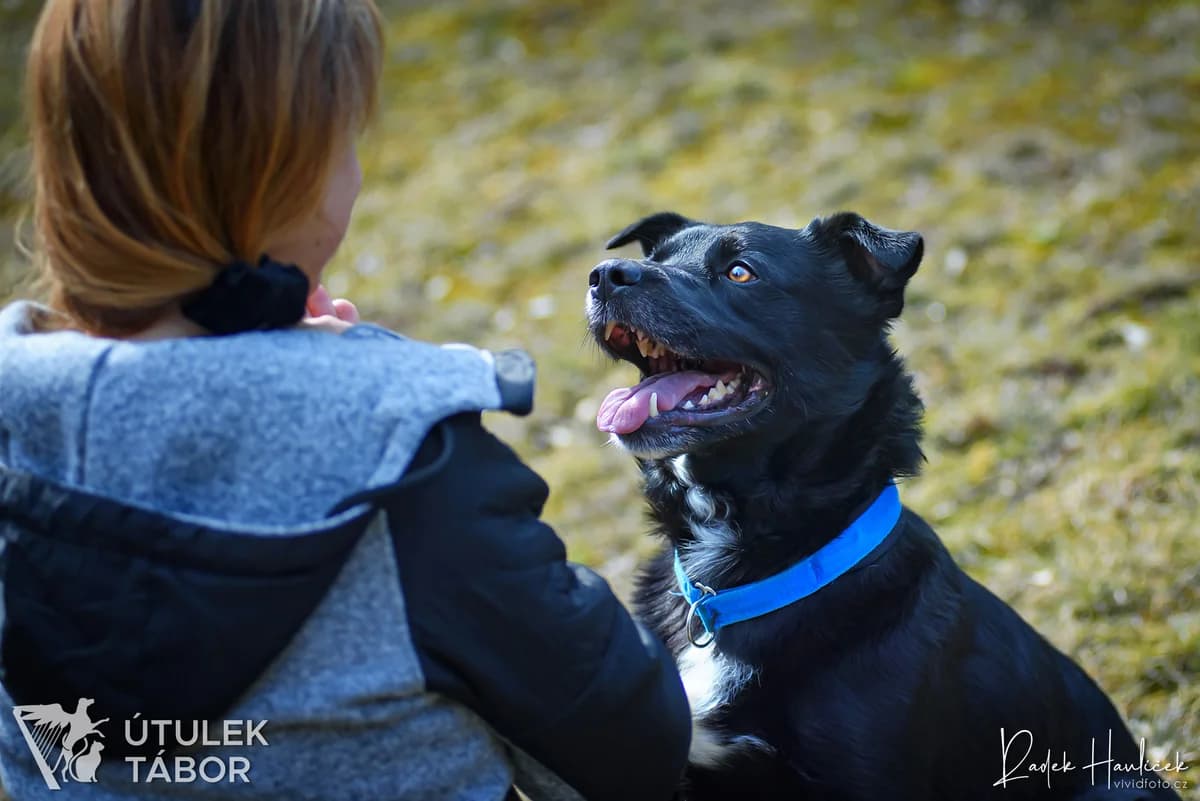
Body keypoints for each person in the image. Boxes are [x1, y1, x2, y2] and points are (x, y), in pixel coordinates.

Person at [0, 2, 690, 800]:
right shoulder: (408, 470)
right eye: (345, 138)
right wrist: (348, 384)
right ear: (281, 173)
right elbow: (630, 742)